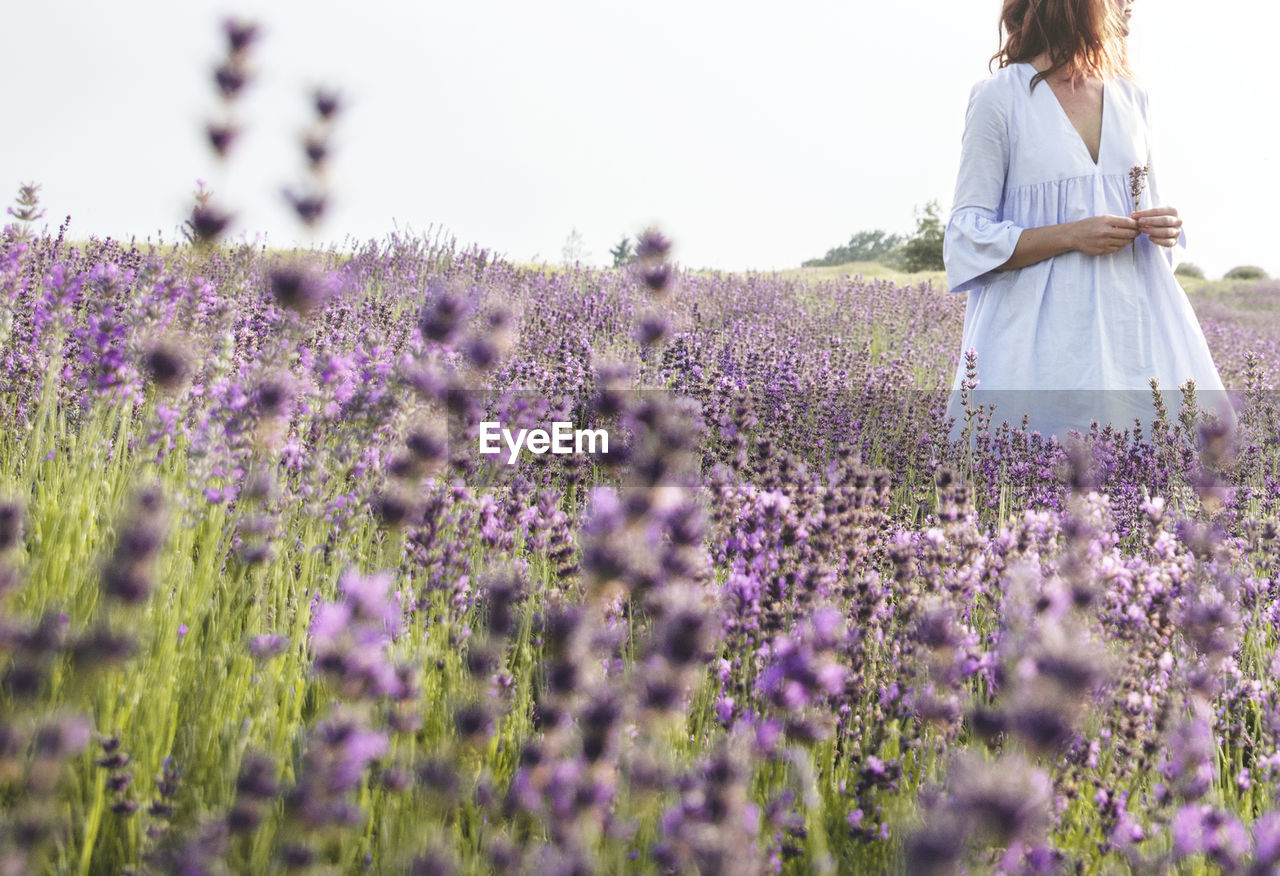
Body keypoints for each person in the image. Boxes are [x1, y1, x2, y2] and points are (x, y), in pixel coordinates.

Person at [943, 0, 1235, 448]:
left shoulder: (1133, 97)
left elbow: (1149, 210)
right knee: (1029, 484)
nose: (1130, 5)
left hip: (1132, 342)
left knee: (1143, 490)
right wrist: (1072, 235)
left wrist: (1166, 228)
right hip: (1034, 350)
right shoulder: (998, 97)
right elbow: (967, 235)